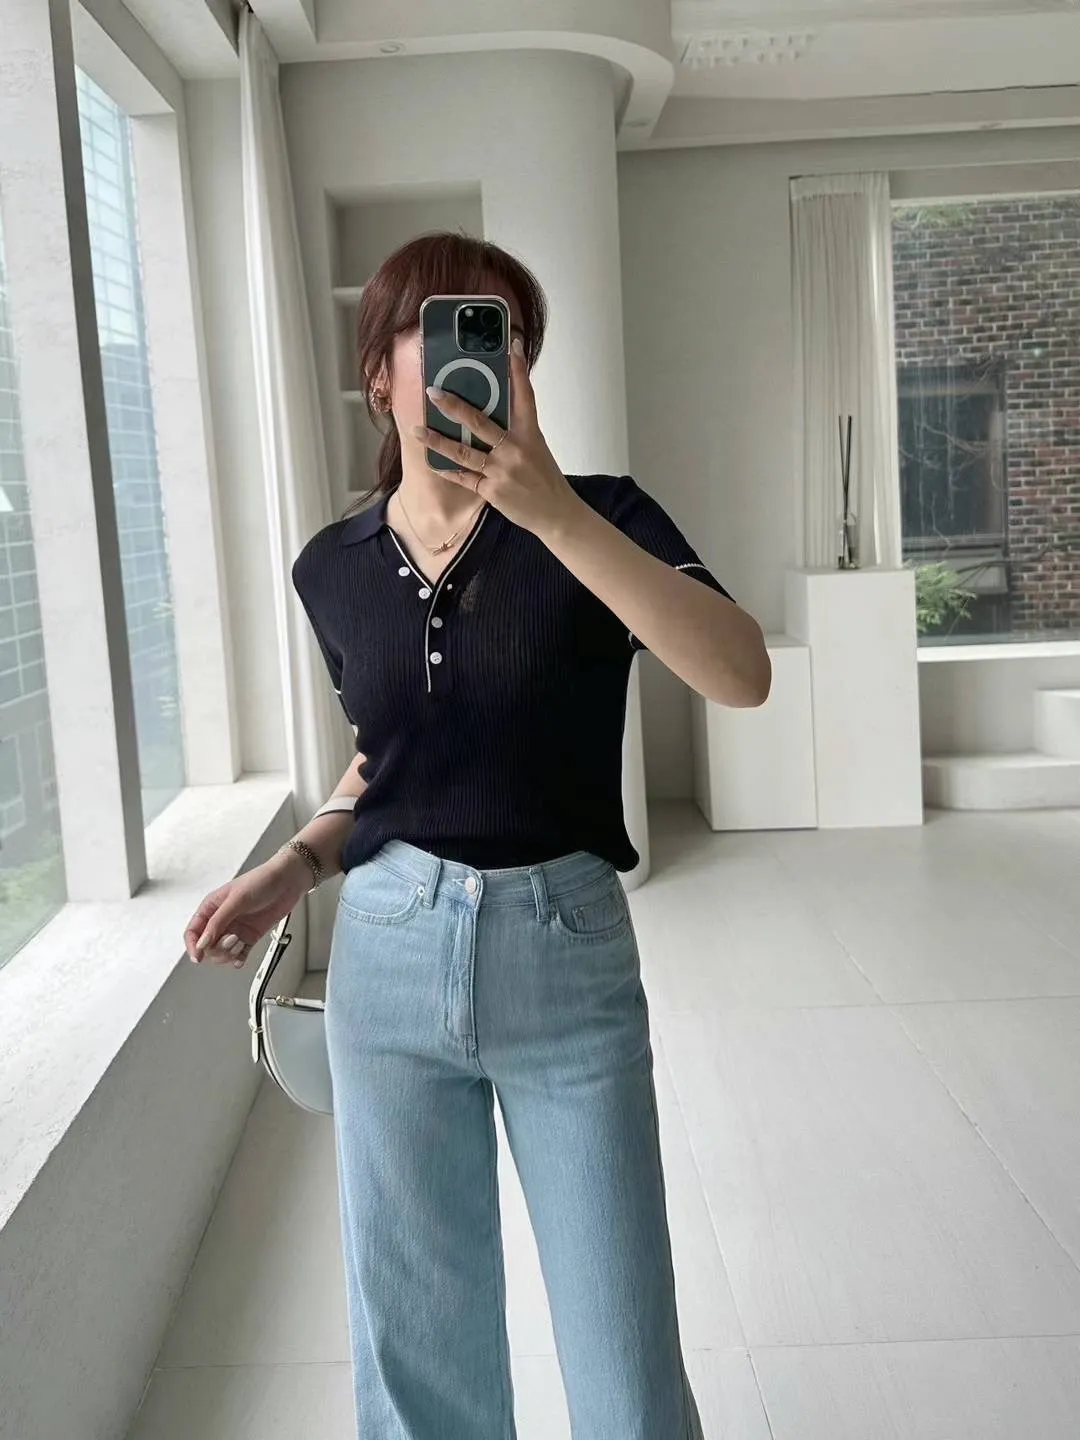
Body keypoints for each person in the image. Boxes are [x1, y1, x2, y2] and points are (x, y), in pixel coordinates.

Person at [184, 232, 771, 1439]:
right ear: (381, 375)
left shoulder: (601, 517)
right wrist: (295, 863)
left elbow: (741, 673)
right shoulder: (330, 569)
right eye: (445, 326)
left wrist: (554, 516)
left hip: (566, 952)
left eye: (504, 335)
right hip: (389, 953)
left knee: (624, 1357)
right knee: (418, 1357)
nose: (481, 357)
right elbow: (389, 760)